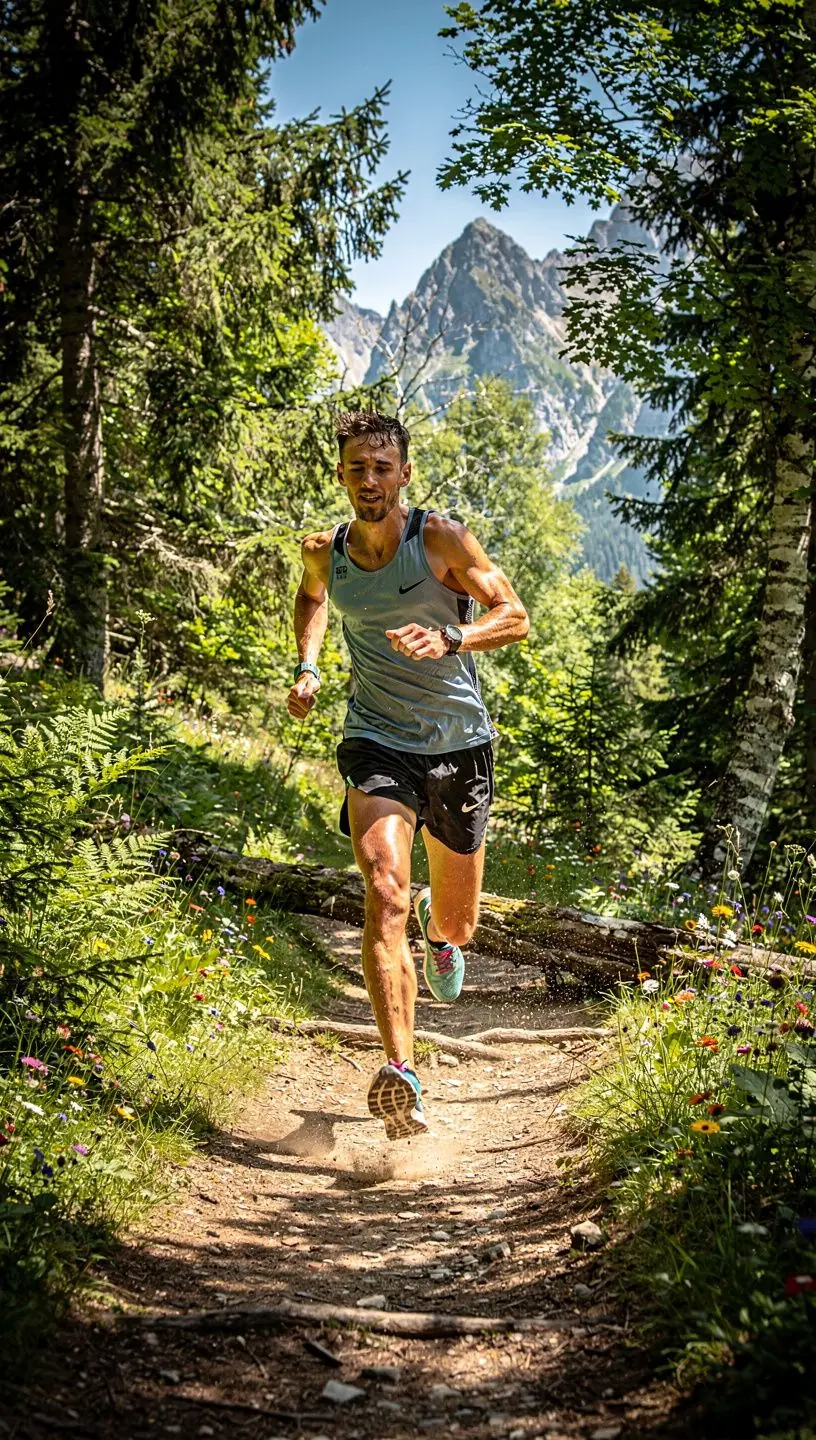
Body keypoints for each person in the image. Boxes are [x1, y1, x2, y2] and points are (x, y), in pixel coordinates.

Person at [287, 411, 529, 1139]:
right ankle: (402, 1071)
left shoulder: (441, 540)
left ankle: (442, 932)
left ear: (404, 474)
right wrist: (307, 665)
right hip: (376, 740)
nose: (369, 479)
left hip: (459, 745)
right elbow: (311, 598)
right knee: (385, 887)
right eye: (356, 467)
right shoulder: (323, 550)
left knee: (456, 919)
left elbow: (513, 615)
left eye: (382, 467)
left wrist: (453, 635)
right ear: (340, 474)